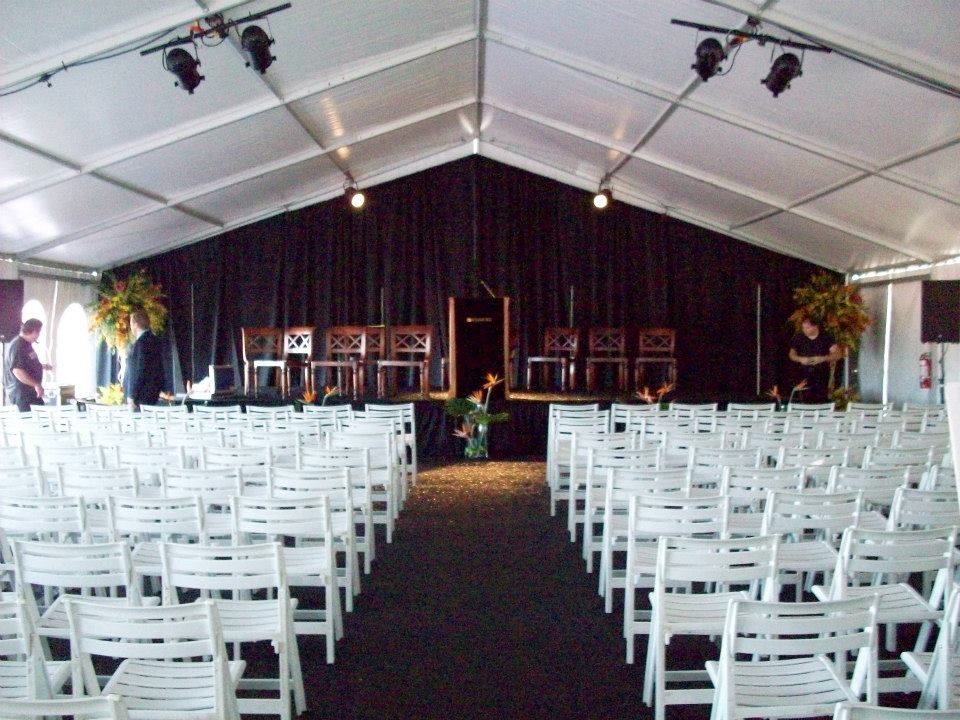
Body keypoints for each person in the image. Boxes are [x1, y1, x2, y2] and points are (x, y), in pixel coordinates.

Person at [3, 318, 53, 411]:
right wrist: (36, 384)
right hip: (23, 395)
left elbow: (26, 365)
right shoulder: (19, 345)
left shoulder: (26, 345)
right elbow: (18, 370)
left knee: (41, 419)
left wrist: (42, 366)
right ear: (34, 331)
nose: (38, 336)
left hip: (30, 394)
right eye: (38, 332)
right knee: (32, 422)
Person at [788, 316, 841, 403]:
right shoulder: (799, 337)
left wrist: (822, 358)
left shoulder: (826, 337)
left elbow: (837, 354)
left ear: (815, 326)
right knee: (804, 398)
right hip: (803, 373)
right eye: (803, 328)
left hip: (821, 375)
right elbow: (791, 354)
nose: (805, 330)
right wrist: (800, 359)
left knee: (820, 399)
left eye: (807, 328)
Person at [123, 308, 165, 410]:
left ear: (136, 324)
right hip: (152, 394)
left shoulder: (141, 344)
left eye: (131, 324)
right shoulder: (155, 340)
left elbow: (138, 371)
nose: (131, 327)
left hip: (140, 397)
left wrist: (132, 394)